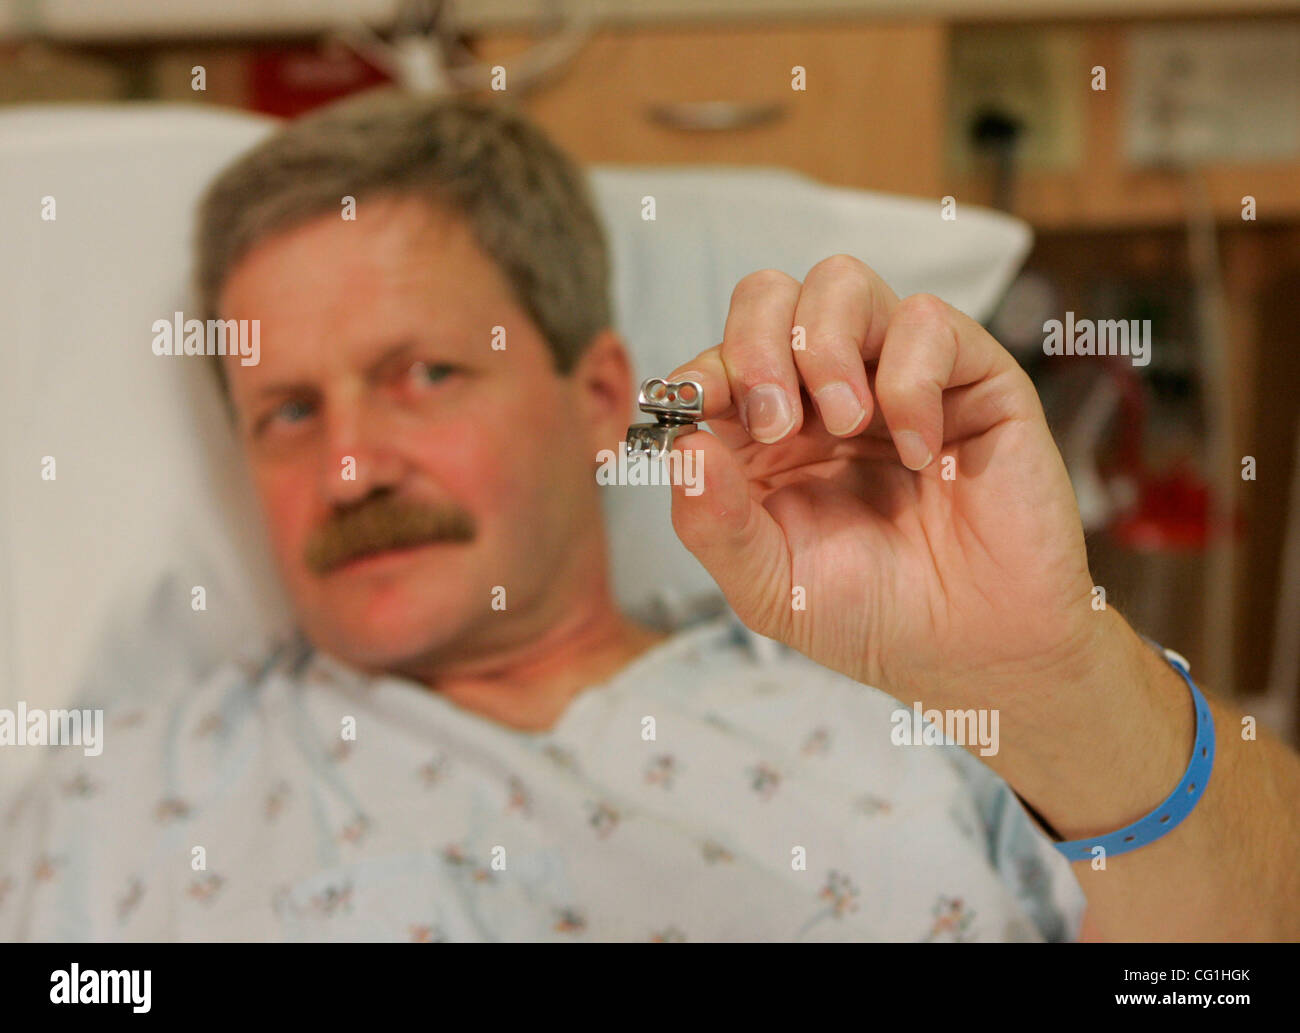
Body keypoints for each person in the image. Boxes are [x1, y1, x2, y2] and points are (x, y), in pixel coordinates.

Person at [2, 93, 1297, 942]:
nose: (348, 469)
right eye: (287, 412)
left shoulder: (924, 716)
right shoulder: (120, 800)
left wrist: (1060, 678)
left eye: (424, 375)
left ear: (602, 396)